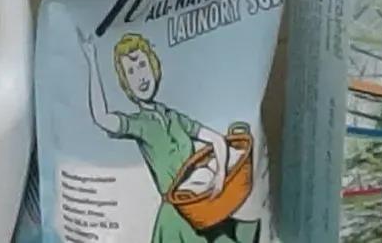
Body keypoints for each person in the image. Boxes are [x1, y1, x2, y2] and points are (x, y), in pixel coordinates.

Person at [82, 30, 260, 243]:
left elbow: (217, 141)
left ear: (153, 66)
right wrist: (92, 60)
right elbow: (102, 118)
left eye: (141, 65)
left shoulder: (175, 118)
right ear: (125, 84)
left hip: (202, 205)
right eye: (130, 71)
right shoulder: (140, 124)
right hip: (177, 216)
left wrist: (220, 175)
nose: (140, 76)